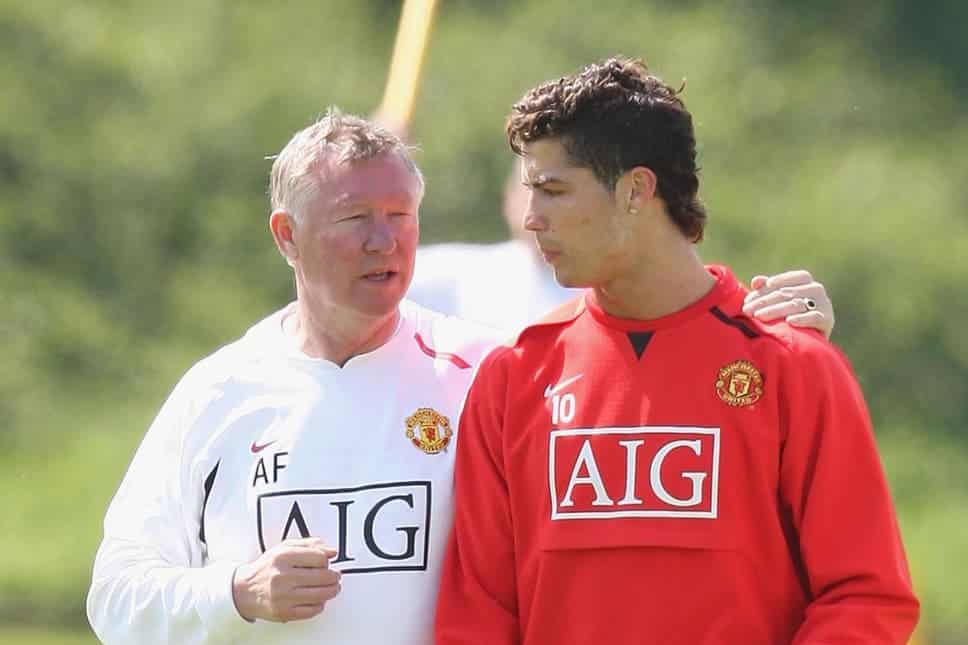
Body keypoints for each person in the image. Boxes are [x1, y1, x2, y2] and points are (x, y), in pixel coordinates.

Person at [434, 57, 919, 644]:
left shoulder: (793, 366)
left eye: (553, 190)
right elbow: (479, 615)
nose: (531, 219)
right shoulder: (514, 377)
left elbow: (865, 596)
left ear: (636, 189)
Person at [86, 109, 502, 645]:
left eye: (399, 214)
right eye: (354, 218)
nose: (383, 241)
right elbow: (116, 596)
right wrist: (238, 593)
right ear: (287, 236)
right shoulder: (220, 391)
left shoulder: (486, 371)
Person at [408, 160, 836, 336]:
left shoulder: (635, 287)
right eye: (529, 190)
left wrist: (795, 338)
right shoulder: (456, 274)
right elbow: (349, 287)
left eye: (556, 191)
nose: (538, 212)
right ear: (506, 198)